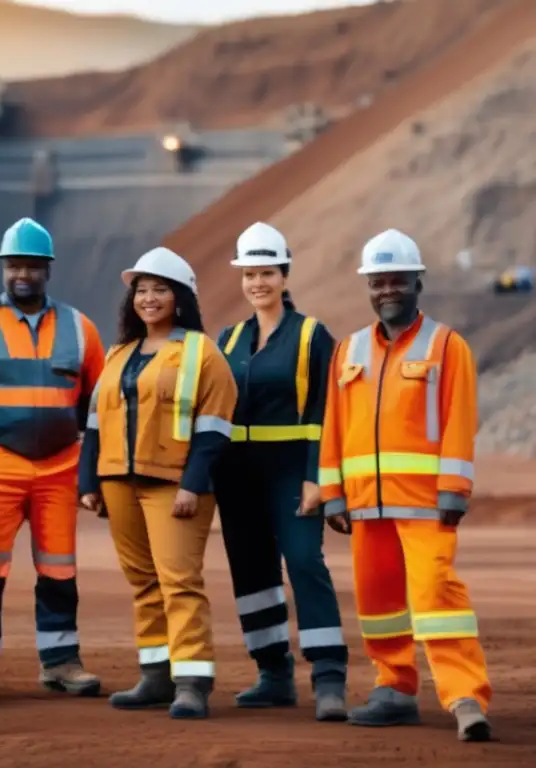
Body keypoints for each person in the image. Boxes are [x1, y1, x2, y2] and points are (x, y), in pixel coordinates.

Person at [319, 228, 492, 742]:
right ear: (368, 287)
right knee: (378, 603)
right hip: (366, 507)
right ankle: (394, 689)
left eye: (397, 280)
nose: (386, 290)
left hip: (425, 506)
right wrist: (333, 492)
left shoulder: (446, 345)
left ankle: (464, 697)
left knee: (438, 596)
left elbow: (460, 420)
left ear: (418, 283)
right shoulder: (348, 349)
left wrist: (454, 490)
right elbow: (334, 423)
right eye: (378, 282)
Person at [0, 217, 106, 706]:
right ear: (2, 269)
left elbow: (97, 403)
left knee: (59, 569)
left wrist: (85, 462)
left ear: (47, 269)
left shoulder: (80, 328)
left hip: (59, 469)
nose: (22, 274)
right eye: (14, 266)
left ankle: (60, 664)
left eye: (32, 265)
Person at [78, 247, 238, 719]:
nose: (149, 298)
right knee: (143, 582)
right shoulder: (119, 353)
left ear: (180, 297)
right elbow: (94, 422)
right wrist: (88, 480)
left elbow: (214, 427)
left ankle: (192, 681)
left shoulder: (200, 351)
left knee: (179, 581)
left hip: (175, 485)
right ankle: (155, 676)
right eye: (141, 291)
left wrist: (193, 482)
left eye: (159, 289)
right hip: (118, 482)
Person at [213, 222, 348, 721]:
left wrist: (319, 478)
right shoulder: (228, 340)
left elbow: (326, 411)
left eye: (266, 272)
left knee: (304, 563)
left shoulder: (313, 335)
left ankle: (329, 676)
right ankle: (273, 674)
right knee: (252, 575)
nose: (257, 283)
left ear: (284, 276)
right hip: (238, 480)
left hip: (292, 474)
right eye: (249, 274)